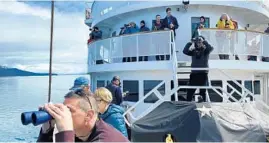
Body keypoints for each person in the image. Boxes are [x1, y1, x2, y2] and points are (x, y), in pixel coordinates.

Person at [37, 90, 129, 142]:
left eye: (69, 110)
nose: (64, 114)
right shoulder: (82, 134)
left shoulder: (105, 139)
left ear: (88, 116)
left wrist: (65, 133)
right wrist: (46, 132)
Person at [183, 36, 214, 102]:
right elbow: (185, 51)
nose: (199, 43)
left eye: (200, 42)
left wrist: (204, 41)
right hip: (194, 74)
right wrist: (190, 43)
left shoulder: (206, 51)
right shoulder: (193, 51)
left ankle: (203, 105)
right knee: (190, 92)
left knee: (202, 92)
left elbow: (210, 48)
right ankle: (188, 105)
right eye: (197, 42)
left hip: (203, 74)